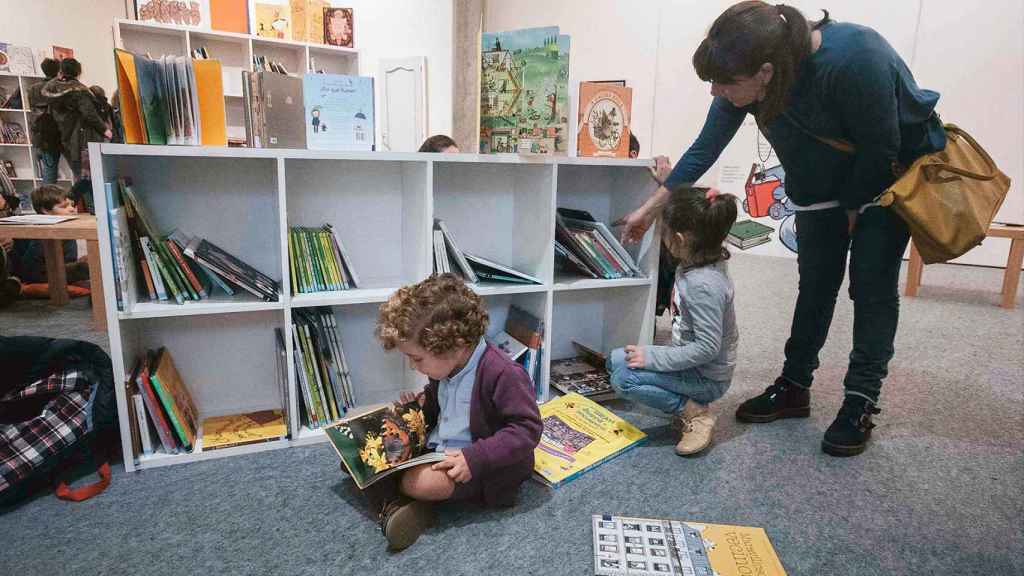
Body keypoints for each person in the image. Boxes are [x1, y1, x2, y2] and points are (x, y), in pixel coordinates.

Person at [617, 2, 946, 457]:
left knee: (870, 288)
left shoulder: (856, 56)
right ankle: (794, 386)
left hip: (883, 182)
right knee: (815, 286)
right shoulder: (746, 77)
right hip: (818, 186)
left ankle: (860, 401)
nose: (717, 91)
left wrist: (852, 209)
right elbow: (706, 147)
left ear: (766, 72)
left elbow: (881, 145)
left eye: (724, 84)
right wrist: (650, 210)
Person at [364, 273, 542, 550]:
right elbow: (444, 407)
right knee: (366, 452)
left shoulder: (504, 373)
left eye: (417, 358)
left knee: (418, 482)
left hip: (479, 467)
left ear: (455, 344)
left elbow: (526, 430)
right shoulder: (445, 368)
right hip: (440, 449)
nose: (414, 367)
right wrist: (421, 408)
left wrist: (476, 458)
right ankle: (406, 506)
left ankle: (403, 502)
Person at [608, 186, 738, 456]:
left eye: (662, 230)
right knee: (615, 359)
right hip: (687, 360)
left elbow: (707, 348)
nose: (660, 234)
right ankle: (685, 401)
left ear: (679, 239)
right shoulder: (698, 260)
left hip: (705, 378)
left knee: (624, 379)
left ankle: (696, 413)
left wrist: (653, 359)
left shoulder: (703, 285)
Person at [41, 58, 112, 182]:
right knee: (89, 179)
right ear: (78, 72)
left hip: (65, 137)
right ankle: (87, 201)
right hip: (82, 139)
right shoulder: (80, 91)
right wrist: (105, 130)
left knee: (78, 175)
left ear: (61, 71)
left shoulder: (51, 91)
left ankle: (77, 199)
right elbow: (90, 114)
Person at [8, 185, 89, 285]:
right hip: (37, 276)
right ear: (45, 211)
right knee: (86, 269)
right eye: (64, 206)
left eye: (72, 205)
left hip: (57, 270)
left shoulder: (66, 229)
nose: (72, 209)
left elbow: (69, 260)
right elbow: (30, 269)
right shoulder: (41, 235)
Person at [29, 58, 63, 184]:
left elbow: (33, 110)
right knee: (79, 171)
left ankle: (48, 201)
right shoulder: (59, 87)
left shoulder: (33, 89)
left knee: (49, 171)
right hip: (60, 132)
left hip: (41, 133)